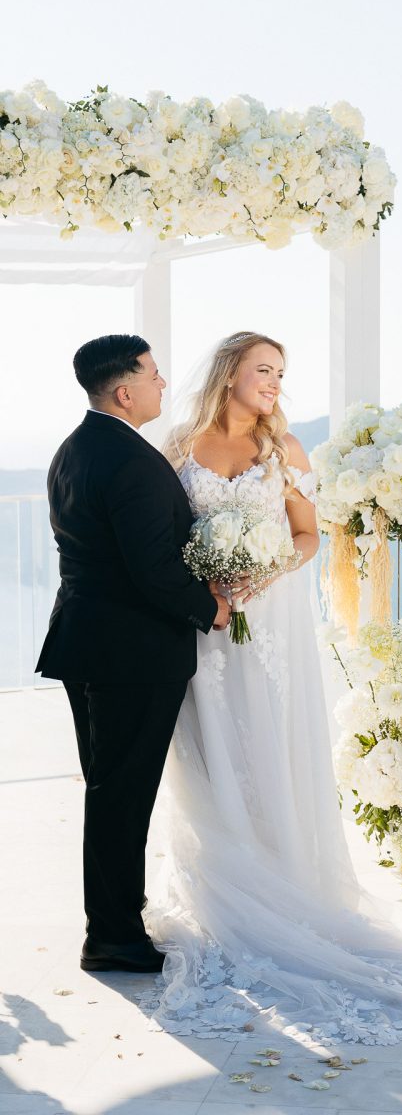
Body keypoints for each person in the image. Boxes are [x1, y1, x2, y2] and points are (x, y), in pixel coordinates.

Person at [143, 330, 402, 1045]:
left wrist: (262, 572)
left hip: (270, 623)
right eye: (264, 370)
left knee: (268, 745)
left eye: (281, 373)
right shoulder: (177, 447)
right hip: (204, 622)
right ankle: (221, 887)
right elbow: (164, 534)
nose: (274, 383)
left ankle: (284, 880)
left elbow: (306, 537)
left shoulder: (282, 453)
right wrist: (205, 578)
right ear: (230, 373)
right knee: (209, 748)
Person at [36, 335, 230, 973]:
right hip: (131, 653)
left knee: (110, 788)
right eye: (153, 374)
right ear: (125, 391)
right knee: (123, 793)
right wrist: (212, 608)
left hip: (85, 640)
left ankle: (117, 913)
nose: (163, 383)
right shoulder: (129, 461)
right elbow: (152, 570)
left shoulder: (74, 450)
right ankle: (114, 935)